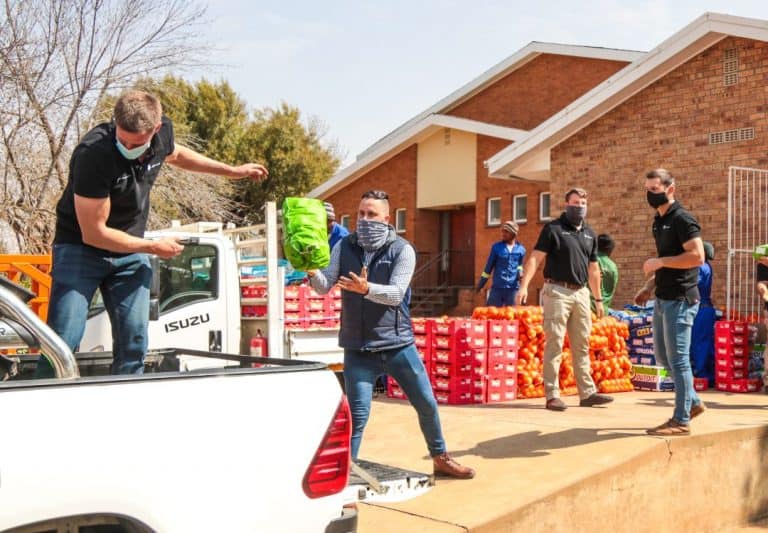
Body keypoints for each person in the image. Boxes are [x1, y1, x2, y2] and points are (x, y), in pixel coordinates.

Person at [37, 90, 268, 377]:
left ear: (156, 129)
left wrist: (231, 171)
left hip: (130, 253)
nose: (127, 146)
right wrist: (152, 247)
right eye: (122, 139)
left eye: (136, 142)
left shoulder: (162, 135)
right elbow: (94, 234)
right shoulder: (93, 155)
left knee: (134, 342)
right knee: (62, 340)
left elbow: (179, 155)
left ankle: (127, 404)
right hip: (81, 250)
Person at [308, 189, 475, 479]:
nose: (365, 219)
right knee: (357, 416)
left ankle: (440, 458)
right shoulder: (343, 247)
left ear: (387, 218)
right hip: (358, 348)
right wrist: (310, 269)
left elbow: (397, 294)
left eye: (371, 214)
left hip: (398, 346)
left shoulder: (402, 250)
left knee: (426, 404)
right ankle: (343, 477)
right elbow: (324, 286)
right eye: (361, 213)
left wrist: (367, 289)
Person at [516, 187, 614, 411]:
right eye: (575, 202)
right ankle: (552, 395)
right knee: (555, 343)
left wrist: (598, 300)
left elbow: (594, 269)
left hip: (581, 293)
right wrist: (524, 286)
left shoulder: (589, 234)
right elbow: (535, 259)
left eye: (582, 203)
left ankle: (587, 393)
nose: (579, 207)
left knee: (582, 344)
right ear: (566, 204)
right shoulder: (553, 229)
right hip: (557, 291)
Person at [634, 169, 706, 436]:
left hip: (681, 299)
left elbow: (697, 256)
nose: (650, 195)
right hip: (663, 297)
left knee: (678, 360)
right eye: (647, 189)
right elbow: (666, 260)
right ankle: (694, 402)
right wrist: (649, 286)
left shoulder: (682, 219)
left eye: (655, 189)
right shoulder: (658, 221)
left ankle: (681, 420)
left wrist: (660, 262)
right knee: (664, 357)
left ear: (670, 189)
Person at [476, 221, 525, 306]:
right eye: (502, 231)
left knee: (513, 316)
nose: (503, 233)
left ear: (513, 233)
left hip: (513, 289)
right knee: (491, 314)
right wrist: (481, 284)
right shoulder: (496, 247)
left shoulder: (521, 249)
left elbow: (520, 265)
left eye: (506, 231)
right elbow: (488, 268)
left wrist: (520, 272)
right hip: (497, 289)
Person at [690, 242, 715, 386]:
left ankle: (702, 375)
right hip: (706, 308)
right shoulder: (707, 266)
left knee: (699, 343)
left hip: (700, 309)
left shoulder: (700, 267)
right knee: (704, 342)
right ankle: (707, 374)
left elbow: (693, 285)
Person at [591, 234, 618, 314]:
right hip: (603, 310)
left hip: (588, 309)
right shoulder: (613, 266)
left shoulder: (591, 262)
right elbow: (611, 290)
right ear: (610, 249)